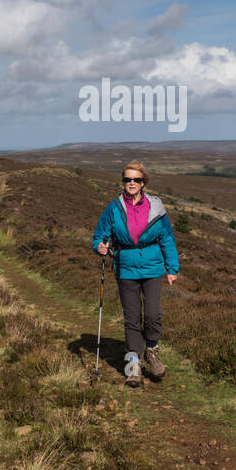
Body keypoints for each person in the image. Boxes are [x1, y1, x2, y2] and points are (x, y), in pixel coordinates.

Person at [91, 161, 179, 387]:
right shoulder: (113, 208)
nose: (131, 183)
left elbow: (167, 238)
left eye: (136, 180)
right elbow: (99, 236)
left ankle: (152, 351)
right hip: (125, 267)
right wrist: (100, 246)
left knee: (152, 315)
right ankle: (133, 364)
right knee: (131, 318)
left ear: (143, 183)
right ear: (123, 182)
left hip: (152, 267)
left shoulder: (156, 207)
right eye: (128, 179)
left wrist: (172, 269)